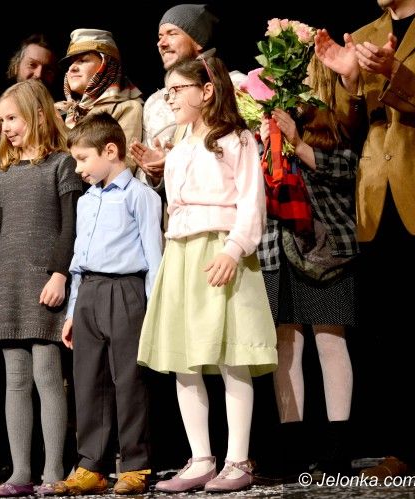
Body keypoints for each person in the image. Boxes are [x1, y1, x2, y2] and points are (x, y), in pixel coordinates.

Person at [136, 52, 277, 494]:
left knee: (232, 354)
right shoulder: (179, 143)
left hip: (221, 249)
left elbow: (252, 202)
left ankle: (237, 459)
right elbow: (177, 204)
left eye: (178, 89)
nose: (171, 98)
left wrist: (234, 250)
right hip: (182, 251)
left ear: (207, 91)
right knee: (185, 359)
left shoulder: (236, 139)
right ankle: (200, 458)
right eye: (168, 91)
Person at [315, 0, 415, 478]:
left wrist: (394, 73)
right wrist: (350, 83)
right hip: (376, 197)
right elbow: (346, 128)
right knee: (392, 328)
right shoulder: (366, 33)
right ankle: (405, 447)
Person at [0, 79, 80, 497]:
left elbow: (70, 227)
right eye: (2, 120)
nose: (6, 127)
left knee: (47, 375)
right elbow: (0, 233)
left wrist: (60, 274)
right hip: (9, 281)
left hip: (44, 281)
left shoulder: (62, 164)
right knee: (15, 379)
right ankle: (20, 473)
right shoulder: (4, 173)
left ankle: (54, 471)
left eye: (13, 118)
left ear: (38, 115)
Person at [256, 56, 358, 480]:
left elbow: (349, 168)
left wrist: (297, 143)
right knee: (285, 346)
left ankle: (338, 451)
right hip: (275, 246)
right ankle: (292, 451)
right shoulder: (262, 119)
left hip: (323, 246)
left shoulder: (330, 118)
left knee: (330, 341)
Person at [55, 112, 162, 495]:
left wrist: (155, 310)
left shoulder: (140, 196)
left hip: (125, 291)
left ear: (111, 151)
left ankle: (135, 464)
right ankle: (92, 465)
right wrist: (72, 311)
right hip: (89, 293)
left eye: (83, 159)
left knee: (129, 380)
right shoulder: (87, 201)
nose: (78, 168)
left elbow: (154, 256)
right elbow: (78, 258)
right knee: (88, 381)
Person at [130, 3, 219, 188]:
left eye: (172, 33)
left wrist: (177, 161)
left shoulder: (233, 88)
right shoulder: (155, 102)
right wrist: (155, 172)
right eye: (160, 36)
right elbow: (146, 179)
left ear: (198, 41)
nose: (161, 43)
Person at [58, 29, 143, 172]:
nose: (72, 68)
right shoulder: (63, 112)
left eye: (83, 60)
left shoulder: (127, 108)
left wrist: (60, 131)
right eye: (71, 63)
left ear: (107, 66)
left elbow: (122, 166)